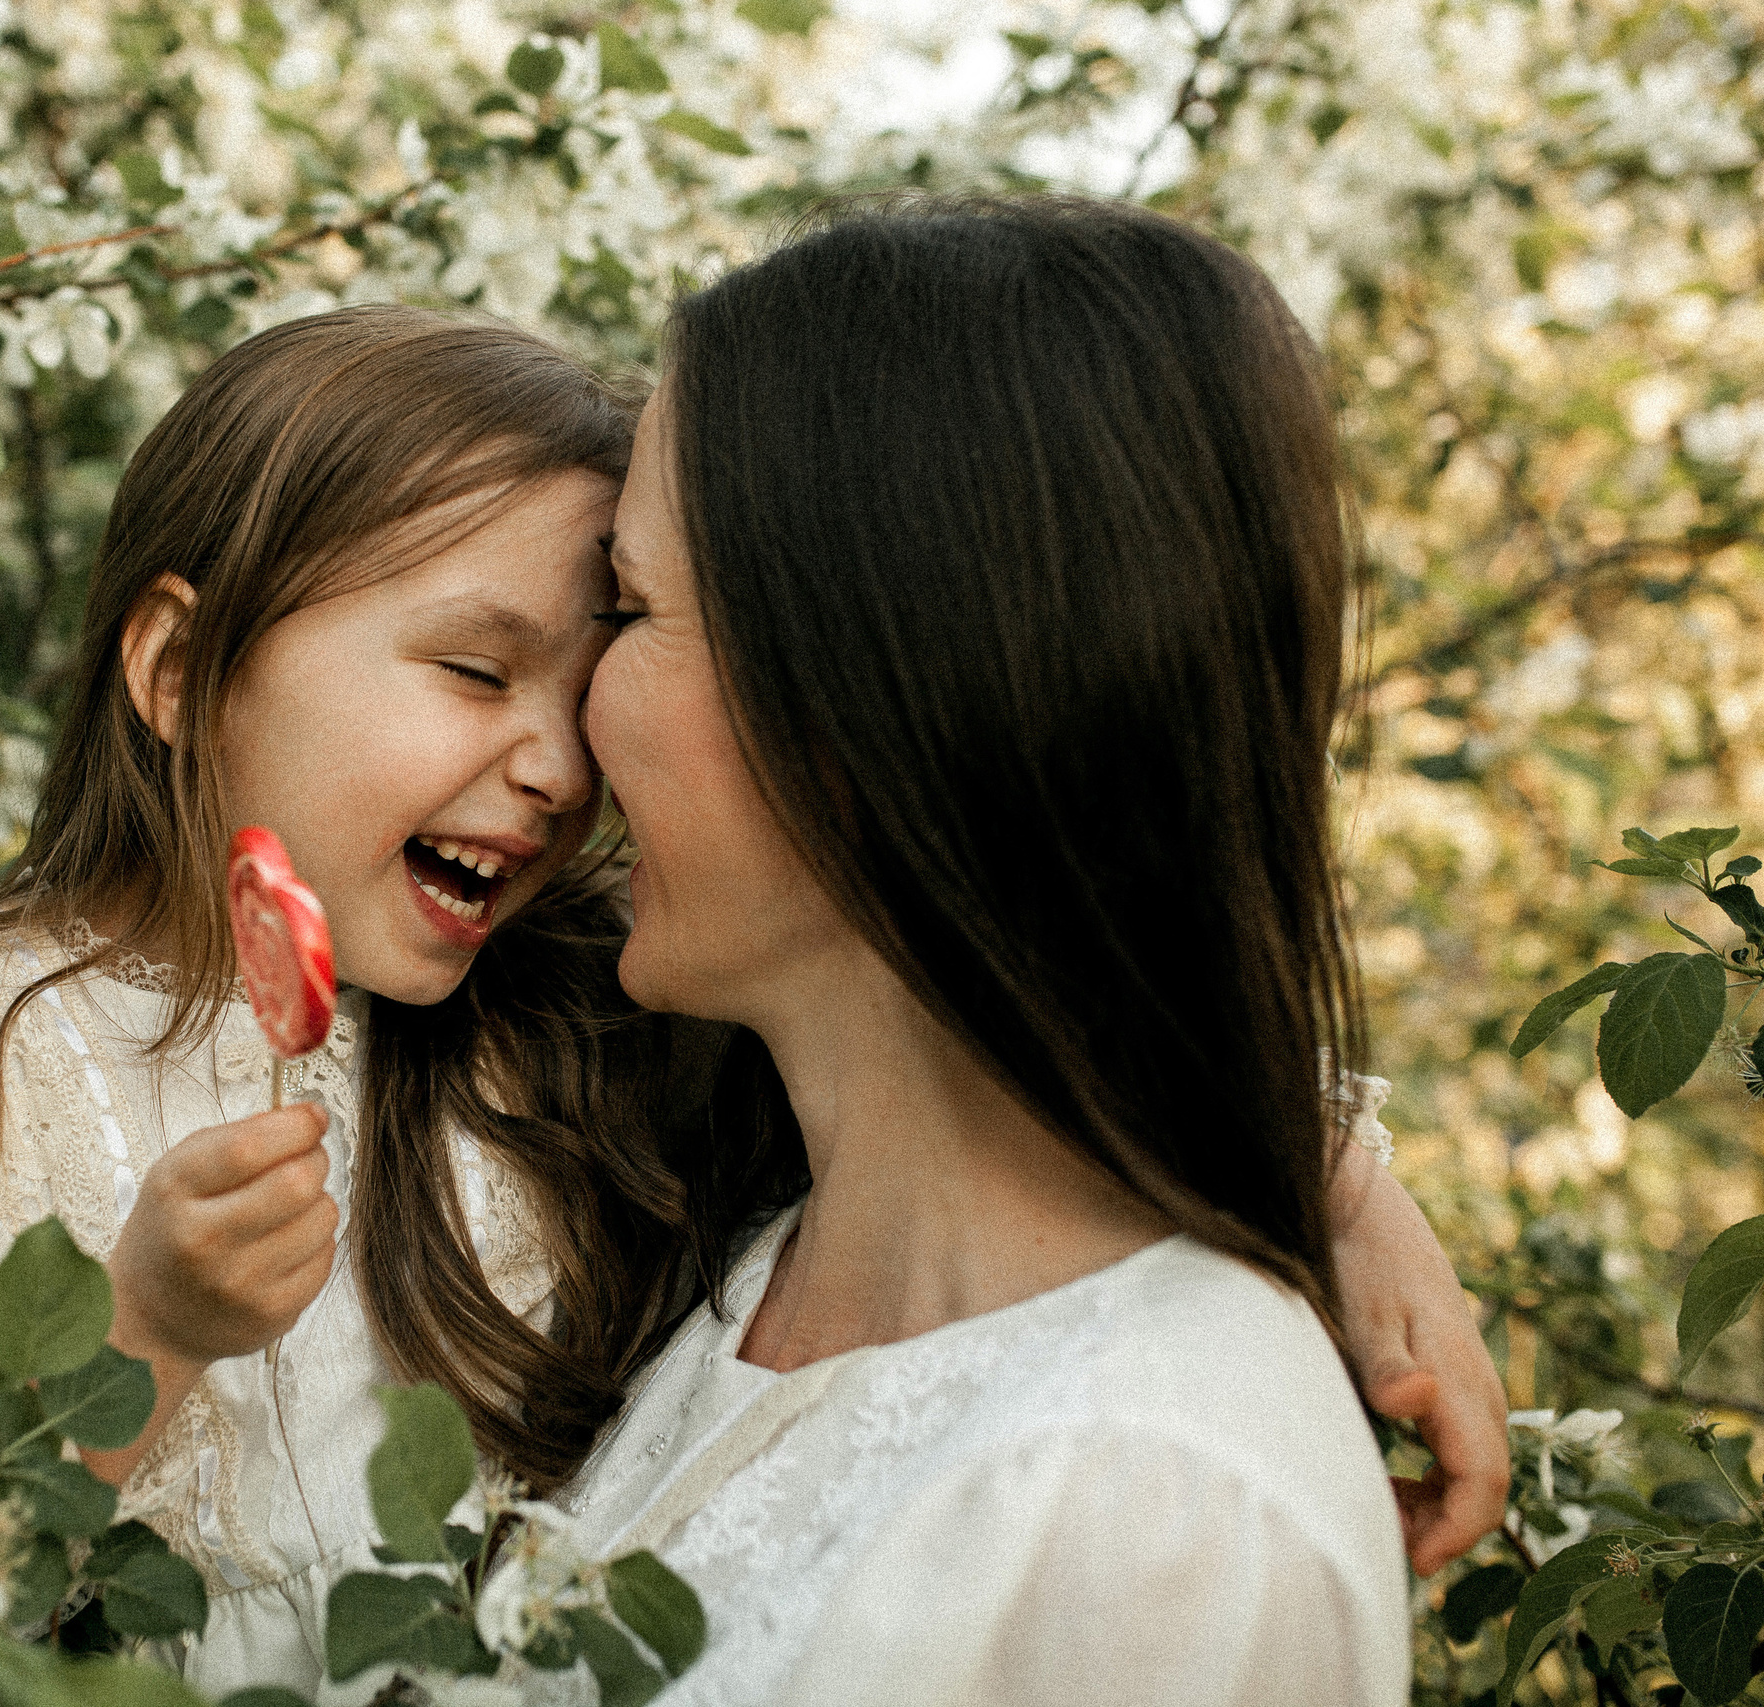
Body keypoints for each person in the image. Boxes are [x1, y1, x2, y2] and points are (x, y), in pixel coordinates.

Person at [0, 300, 1498, 1697]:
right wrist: (145, 1332)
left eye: (601, 668)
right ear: (184, 668)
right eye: (475, 667)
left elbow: (1003, 984)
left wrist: (1333, 1182)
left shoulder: (570, 1033)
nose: (561, 760)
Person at [558, 196, 1457, 1705]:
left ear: (861, 698)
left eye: (630, 607)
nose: (574, 702)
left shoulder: (1156, 1515)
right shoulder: (742, 1266)